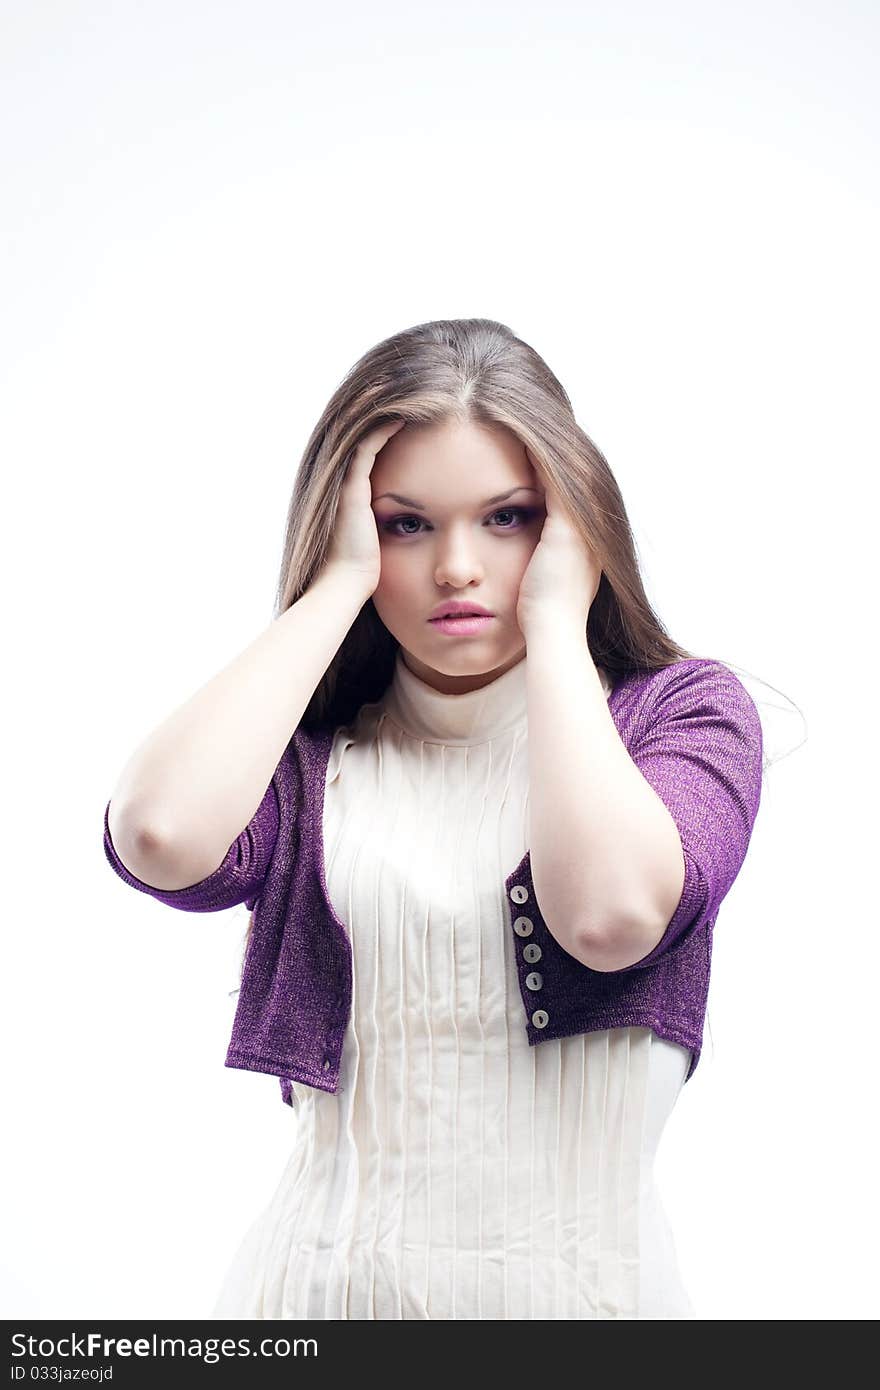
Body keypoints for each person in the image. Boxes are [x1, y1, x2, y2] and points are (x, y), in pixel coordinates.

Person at [103, 317, 766, 1319]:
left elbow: (610, 913)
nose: (456, 565)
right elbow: (155, 835)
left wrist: (552, 620)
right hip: (313, 1305)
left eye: (506, 517)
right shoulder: (309, 762)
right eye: (406, 523)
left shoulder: (678, 718)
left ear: (570, 525)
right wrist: (335, 585)